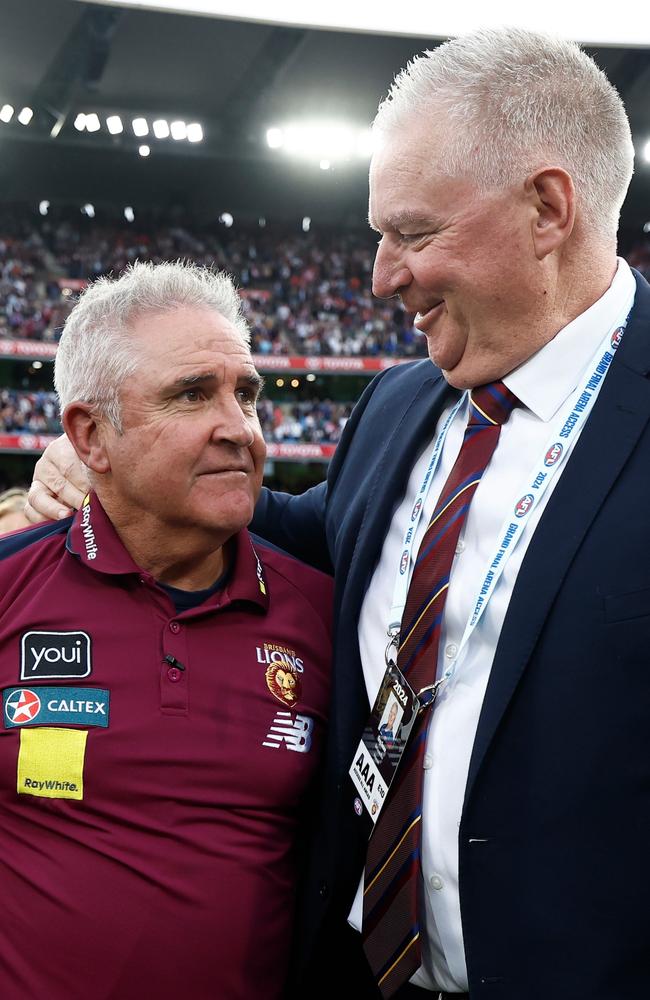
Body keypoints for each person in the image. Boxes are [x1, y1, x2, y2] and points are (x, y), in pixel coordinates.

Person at [25, 26, 650, 1000]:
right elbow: (292, 531)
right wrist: (98, 461)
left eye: (411, 232)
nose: (378, 276)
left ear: (545, 208)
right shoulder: (400, 406)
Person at [1, 260, 333, 1000]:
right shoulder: (9, 589)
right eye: (191, 395)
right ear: (89, 435)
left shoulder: (322, 613)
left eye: (245, 394)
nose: (238, 427)